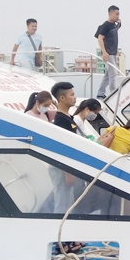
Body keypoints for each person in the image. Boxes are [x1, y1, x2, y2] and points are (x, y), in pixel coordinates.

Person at [48, 81, 81, 213]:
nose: (75, 97)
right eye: (72, 95)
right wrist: (68, 172)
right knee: (63, 201)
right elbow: (63, 146)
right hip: (62, 168)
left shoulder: (68, 117)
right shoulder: (61, 120)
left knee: (68, 200)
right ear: (62, 98)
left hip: (68, 165)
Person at [95, 5, 121, 99]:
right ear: (110, 13)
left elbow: (115, 31)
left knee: (107, 74)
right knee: (113, 74)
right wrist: (104, 52)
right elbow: (100, 38)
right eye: (116, 14)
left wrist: (119, 23)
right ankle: (113, 93)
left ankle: (100, 93)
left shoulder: (114, 25)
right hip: (108, 53)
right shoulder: (105, 26)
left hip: (113, 53)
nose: (118, 16)